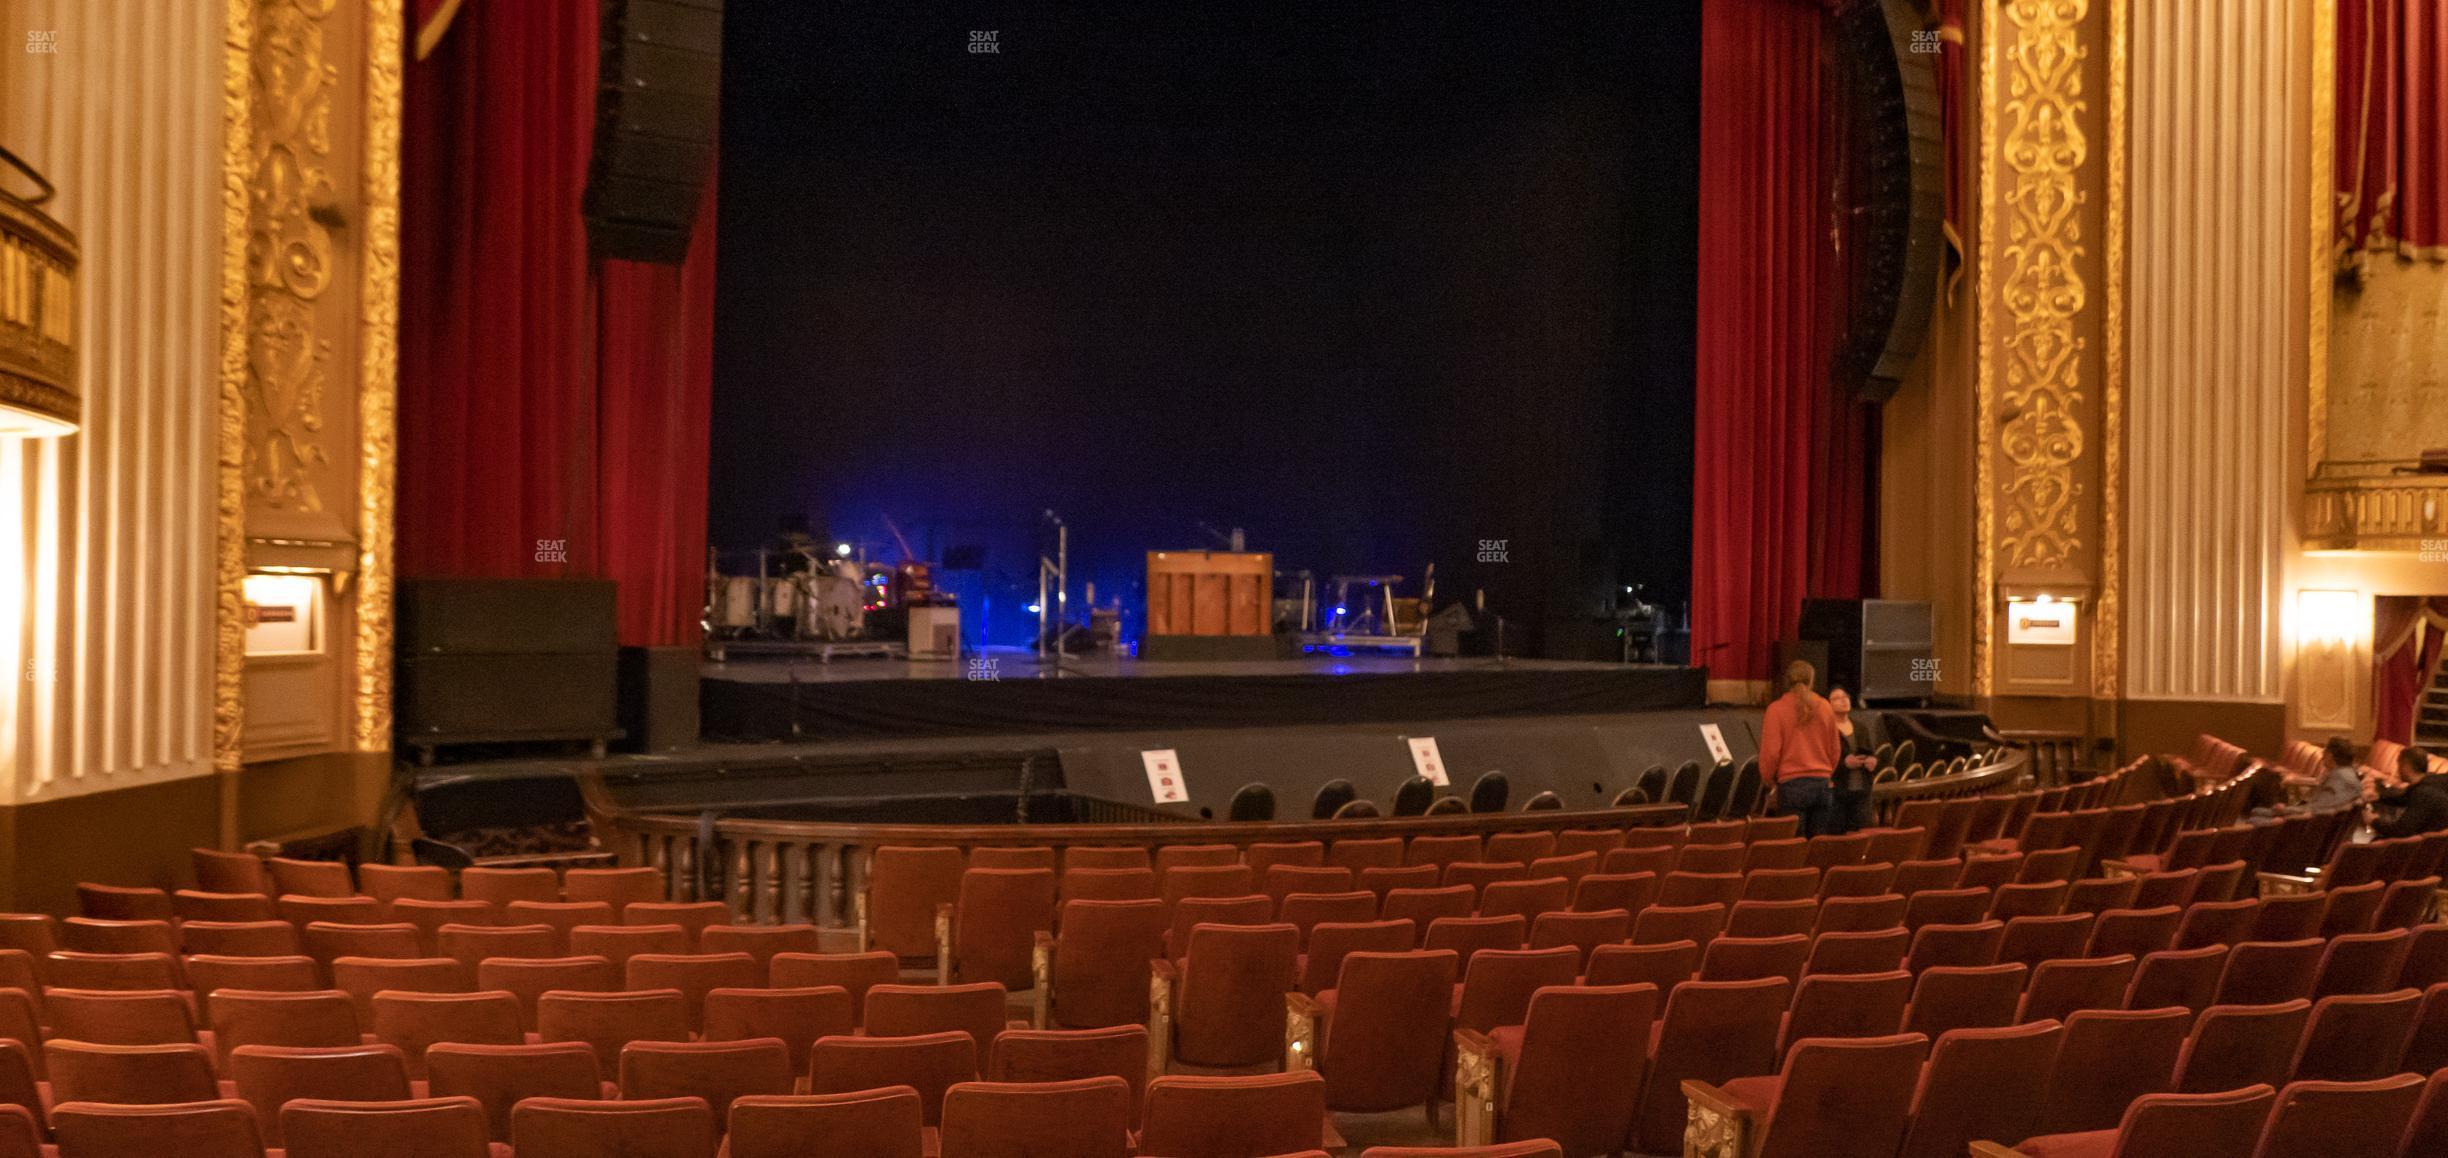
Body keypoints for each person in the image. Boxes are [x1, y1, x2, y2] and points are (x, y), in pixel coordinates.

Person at [1759, 659, 1843, 837]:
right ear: (1812, 680)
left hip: (1791, 786)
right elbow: (1835, 750)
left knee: (1794, 850)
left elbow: (1771, 753)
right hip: (1822, 784)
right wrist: (1825, 773)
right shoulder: (1825, 707)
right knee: (1818, 848)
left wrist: (1769, 781)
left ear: (1787, 681)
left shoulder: (1776, 710)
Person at [1826, 687, 1877, 834]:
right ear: (1828, 705)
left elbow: (1871, 753)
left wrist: (1872, 761)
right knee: (1837, 835)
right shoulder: (1827, 730)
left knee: (1860, 835)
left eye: (1845, 696)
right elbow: (1821, 760)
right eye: (1837, 698)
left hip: (1861, 790)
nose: (1843, 700)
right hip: (1837, 791)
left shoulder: (1860, 728)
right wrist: (1844, 764)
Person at [2372, 744, 2448, 838]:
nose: (2397, 770)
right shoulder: (2429, 781)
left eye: (2399, 765)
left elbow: (2400, 831)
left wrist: (2373, 821)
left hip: (2425, 845)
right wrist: (2378, 797)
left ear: (2406, 765)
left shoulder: (2424, 793)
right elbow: (2404, 798)